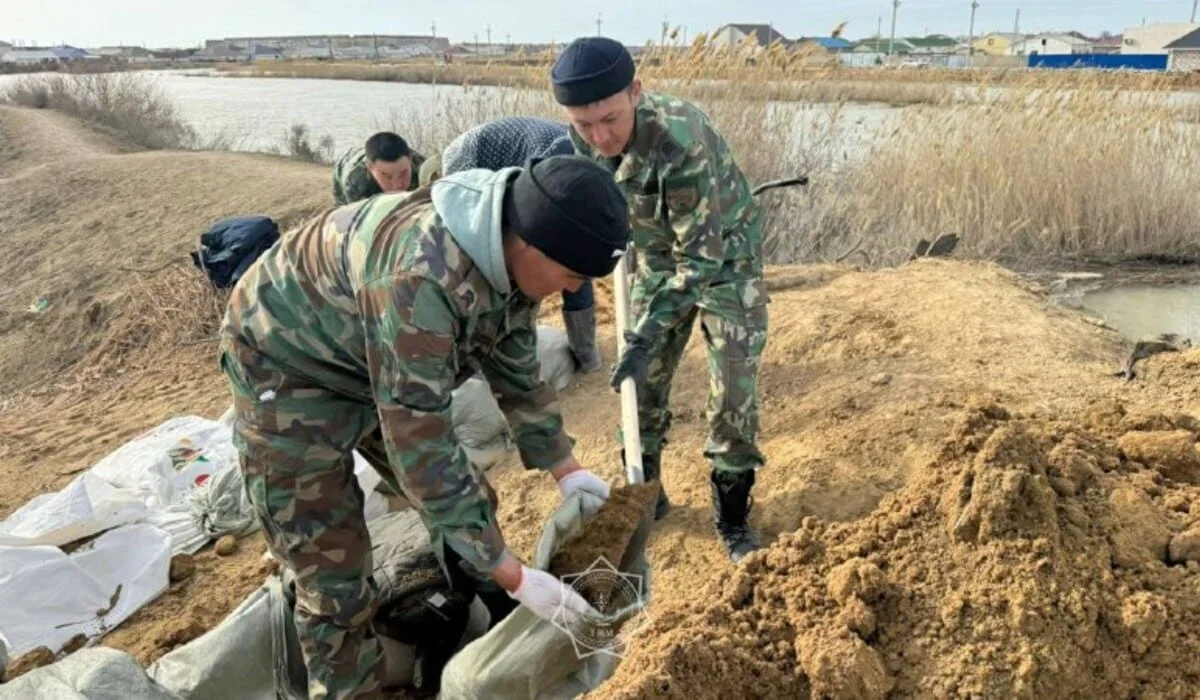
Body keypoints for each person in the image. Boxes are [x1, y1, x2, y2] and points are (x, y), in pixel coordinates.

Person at [220, 155, 629, 699]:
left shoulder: (509, 247)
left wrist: (566, 468)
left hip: (367, 351)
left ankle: (475, 621)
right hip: (286, 363)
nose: (568, 289)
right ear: (531, 245)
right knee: (333, 570)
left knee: (470, 505)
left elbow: (516, 368)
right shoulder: (423, 278)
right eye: (572, 276)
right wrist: (513, 573)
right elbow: (420, 443)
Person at [550, 37, 769, 563]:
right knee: (640, 387)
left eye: (610, 119)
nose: (600, 136)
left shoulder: (678, 140)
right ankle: (648, 497)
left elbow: (701, 259)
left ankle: (733, 517)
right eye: (584, 125)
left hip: (724, 262)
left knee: (733, 394)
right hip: (657, 259)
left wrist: (648, 330)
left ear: (636, 92)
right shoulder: (580, 140)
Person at [426, 116, 603, 373]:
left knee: (568, 268)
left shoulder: (593, 174)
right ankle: (479, 345)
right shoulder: (562, 170)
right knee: (500, 266)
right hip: (474, 154)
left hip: (512, 156)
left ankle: (582, 351)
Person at [332, 131, 427, 205]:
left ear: (410, 160)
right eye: (387, 177)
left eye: (403, 173)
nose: (397, 185)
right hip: (344, 166)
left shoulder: (422, 167)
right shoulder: (355, 180)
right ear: (370, 168)